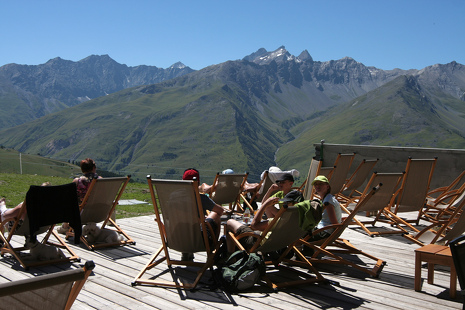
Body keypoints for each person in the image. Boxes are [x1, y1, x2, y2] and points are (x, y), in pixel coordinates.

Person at [225, 190, 303, 254]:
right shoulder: (301, 220)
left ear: (295, 204)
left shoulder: (280, 221)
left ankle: (231, 256)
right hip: (280, 244)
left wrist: (265, 205)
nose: (283, 205)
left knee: (230, 222)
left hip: (259, 244)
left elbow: (254, 226)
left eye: (286, 203)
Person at [181, 168, 225, 261]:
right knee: (215, 214)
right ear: (197, 182)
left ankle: (185, 253)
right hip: (198, 241)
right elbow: (220, 211)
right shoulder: (201, 198)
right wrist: (204, 219)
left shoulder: (173, 196)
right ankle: (213, 249)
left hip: (177, 238)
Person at [57, 158, 102, 234]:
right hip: (99, 212)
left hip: (81, 214)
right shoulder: (101, 180)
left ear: (82, 169)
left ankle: (65, 226)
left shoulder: (78, 181)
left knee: (66, 202)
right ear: (94, 168)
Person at [306, 175, 342, 241]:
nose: (317, 186)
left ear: (327, 186)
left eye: (321, 184)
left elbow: (334, 224)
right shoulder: (328, 198)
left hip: (324, 233)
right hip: (323, 230)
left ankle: (305, 250)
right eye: (315, 184)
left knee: (297, 233)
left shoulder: (328, 202)